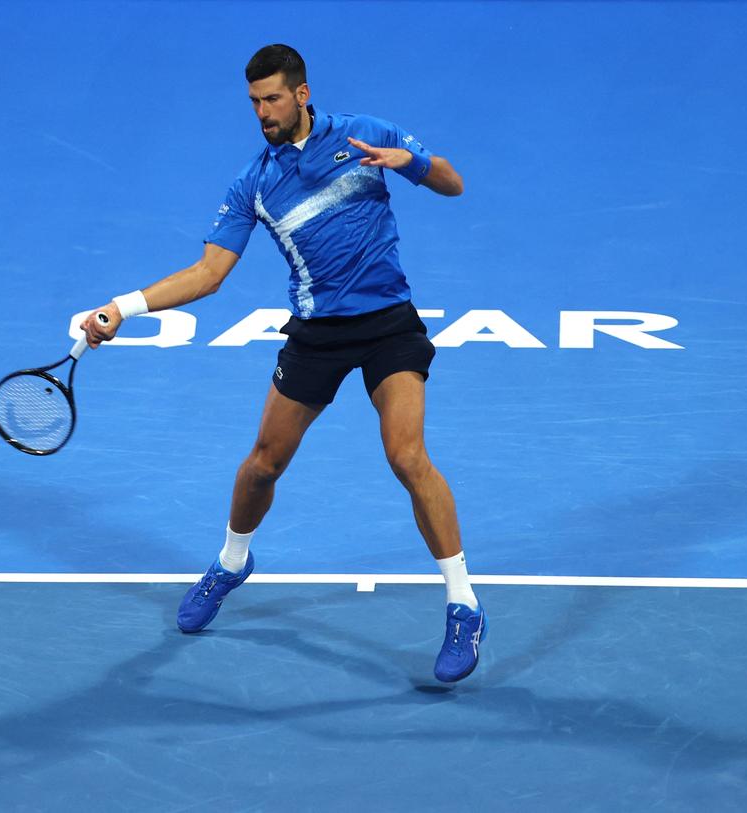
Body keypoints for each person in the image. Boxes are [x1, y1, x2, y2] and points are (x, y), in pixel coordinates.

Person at [81, 44, 485, 682]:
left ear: (301, 94)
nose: (262, 112)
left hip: (388, 326)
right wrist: (123, 307)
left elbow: (452, 182)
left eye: (271, 99)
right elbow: (209, 273)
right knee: (262, 464)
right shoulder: (255, 182)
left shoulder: (364, 134)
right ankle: (232, 559)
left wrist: (409, 162)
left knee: (407, 454)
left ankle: (463, 603)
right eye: (253, 103)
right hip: (316, 335)